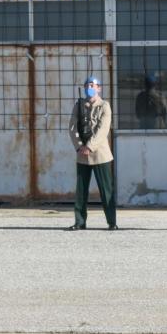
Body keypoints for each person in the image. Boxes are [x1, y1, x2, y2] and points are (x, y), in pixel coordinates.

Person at [69, 75, 116, 230]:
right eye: (87, 85)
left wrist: (89, 147)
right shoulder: (79, 105)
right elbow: (72, 128)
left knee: (106, 190)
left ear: (98, 88)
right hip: (82, 155)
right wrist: (79, 146)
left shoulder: (104, 106)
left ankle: (111, 222)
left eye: (92, 85)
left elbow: (103, 130)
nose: (89, 88)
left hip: (100, 154)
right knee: (81, 191)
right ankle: (80, 222)